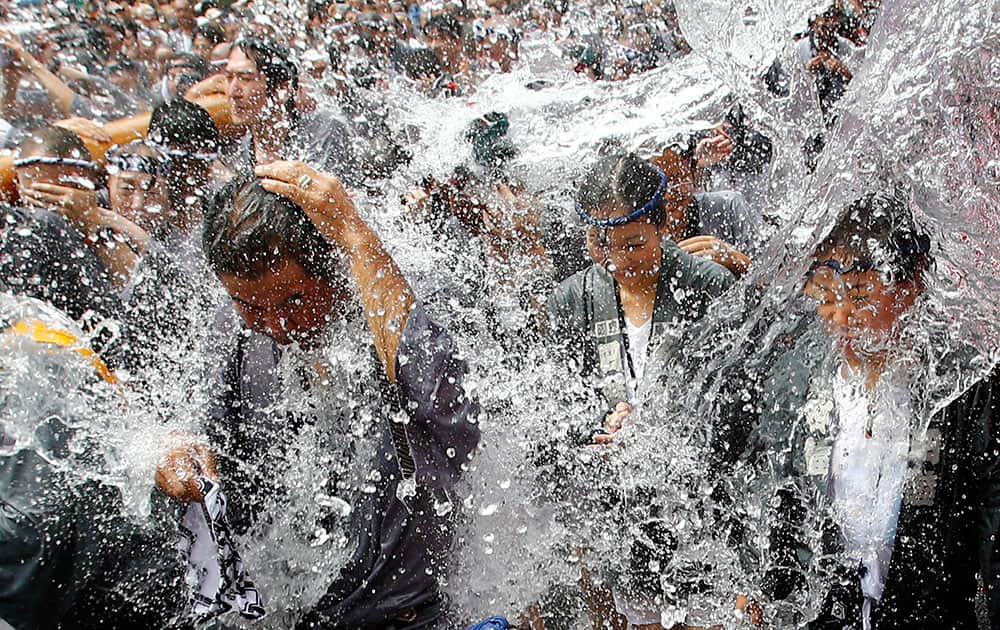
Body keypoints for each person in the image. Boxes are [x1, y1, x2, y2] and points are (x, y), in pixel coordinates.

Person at [156, 160, 481, 628]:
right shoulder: (236, 335)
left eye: (293, 300)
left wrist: (354, 233)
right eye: (249, 305)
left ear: (335, 265)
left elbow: (453, 426)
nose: (274, 324)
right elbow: (196, 429)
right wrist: (176, 451)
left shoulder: (404, 298)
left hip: (411, 615)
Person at [748, 191, 1000, 629]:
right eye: (827, 294)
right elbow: (780, 507)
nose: (841, 315)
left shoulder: (961, 388)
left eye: (862, 294)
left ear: (911, 287)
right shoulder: (800, 382)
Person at [544, 152, 735, 629]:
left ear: (661, 224)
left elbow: (735, 395)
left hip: (699, 498)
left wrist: (665, 423)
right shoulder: (571, 300)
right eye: (604, 246)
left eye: (633, 244)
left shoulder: (707, 285)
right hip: (621, 504)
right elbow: (553, 400)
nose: (619, 261)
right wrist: (598, 425)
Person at [222, 35, 359, 184]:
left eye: (246, 78)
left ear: (282, 89)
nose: (233, 92)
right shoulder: (239, 157)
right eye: (229, 77)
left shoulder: (322, 132)